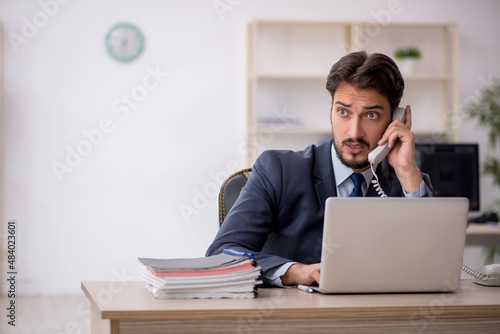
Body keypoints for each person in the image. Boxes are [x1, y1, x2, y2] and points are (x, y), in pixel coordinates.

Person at [206, 50, 433, 287]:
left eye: (371, 115)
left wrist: (407, 171)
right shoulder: (278, 170)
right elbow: (222, 254)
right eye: (343, 112)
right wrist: (294, 272)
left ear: (395, 119)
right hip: (296, 318)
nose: (354, 132)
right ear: (331, 111)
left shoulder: (409, 182)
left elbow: (433, 265)